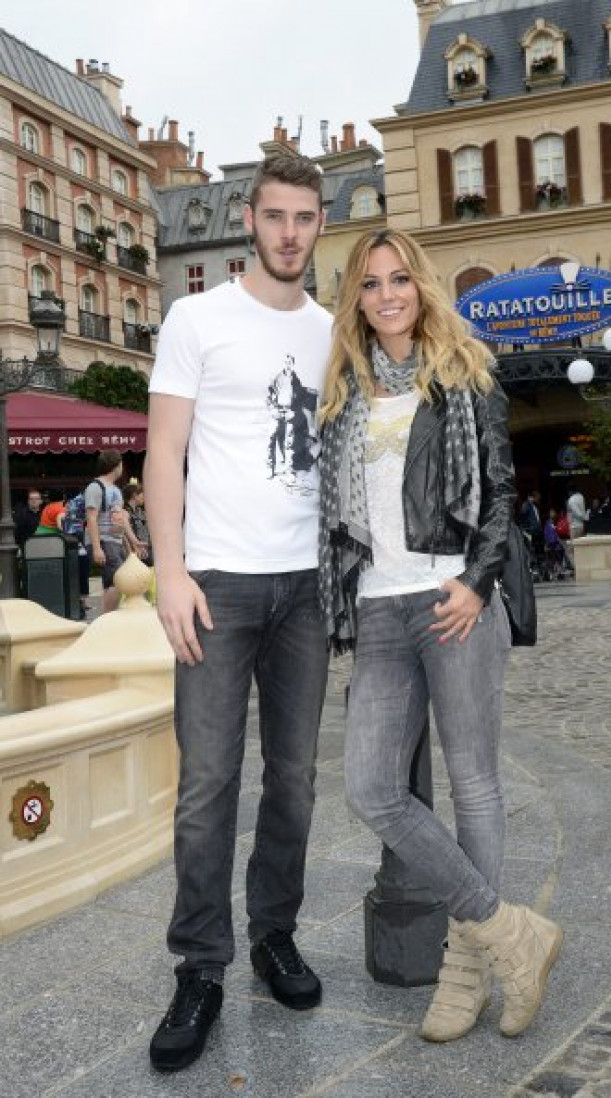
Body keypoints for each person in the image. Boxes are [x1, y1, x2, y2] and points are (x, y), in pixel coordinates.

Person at [318, 228, 563, 1045]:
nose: (387, 294)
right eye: (370, 283)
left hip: (453, 597)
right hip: (381, 610)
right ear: (355, 296)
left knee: (474, 784)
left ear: (421, 286)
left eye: (399, 279)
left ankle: (466, 972)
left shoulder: (466, 371)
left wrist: (477, 580)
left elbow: (500, 491)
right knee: (370, 787)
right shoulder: (345, 392)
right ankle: (510, 932)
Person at [144, 153, 332, 1073]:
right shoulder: (196, 317)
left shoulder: (335, 333)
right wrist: (169, 573)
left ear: (318, 225)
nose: (289, 232)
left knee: (293, 780)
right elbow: (162, 452)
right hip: (215, 585)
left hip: (305, 587)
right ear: (249, 222)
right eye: (275, 216)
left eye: (305, 217)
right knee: (207, 788)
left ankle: (273, 934)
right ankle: (201, 966)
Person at [84, 451, 143, 614]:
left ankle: (109, 616)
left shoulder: (115, 490)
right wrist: (96, 547)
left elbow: (121, 518)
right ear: (116, 465)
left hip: (114, 541)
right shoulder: (95, 487)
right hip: (103, 540)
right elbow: (91, 518)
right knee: (118, 581)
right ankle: (108, 619)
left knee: (115, 581)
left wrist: (132, 541)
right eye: (121, 464)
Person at [123, 481, 152, 565]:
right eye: (142, 494)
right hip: (132, 552)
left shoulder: (141, 511)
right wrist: (131, 550)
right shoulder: (125, 512)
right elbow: (124, 534)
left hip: (145, 551)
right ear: (134, 495)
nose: (144, 497)